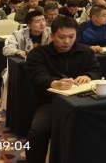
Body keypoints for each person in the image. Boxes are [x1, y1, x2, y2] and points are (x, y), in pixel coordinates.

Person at [25, 16, 101, 163]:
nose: (67, 41)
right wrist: (54, 83)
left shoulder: (86, 52)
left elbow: (96, 71)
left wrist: (88, 76)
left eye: (71, 37)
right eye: (62, 37)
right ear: (52, 35)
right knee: (38, 132)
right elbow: (37, 77)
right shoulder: (38, 54)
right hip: (51, 103)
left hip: (84, 101)